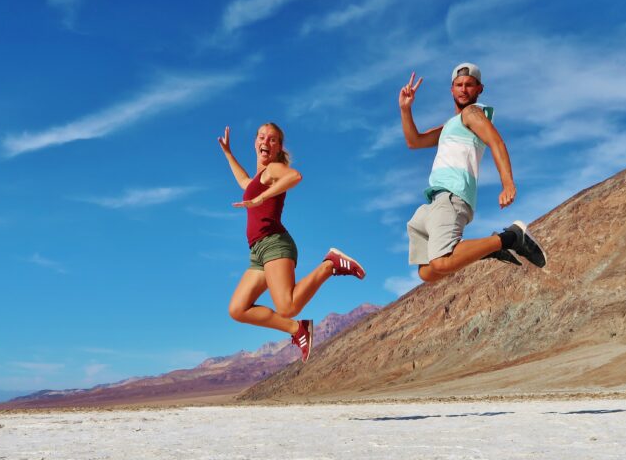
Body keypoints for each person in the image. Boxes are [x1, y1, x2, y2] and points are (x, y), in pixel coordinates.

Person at [218, 122, 365, 362]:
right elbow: (244, 181)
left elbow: (295, 176)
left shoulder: (274, 169)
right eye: (262, 137)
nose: (266, 142)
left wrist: (262, 198)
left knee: (288, 307)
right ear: (255, 142)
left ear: (278, 148)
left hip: (274, 243)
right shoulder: (258, 178)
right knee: (238, 308)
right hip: (258, 252)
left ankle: (330, 264)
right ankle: (298, 330)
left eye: (272, 139)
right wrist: (228, 154)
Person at [399, 62, 546, 283]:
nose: (464, 89)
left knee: (441, 260)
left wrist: (507, 183)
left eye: (470, 85)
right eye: (459, 85)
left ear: (480, 89)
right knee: (427, 273)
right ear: (451, 89)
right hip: (433, 202)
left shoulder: (472, 113)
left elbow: (496, 142)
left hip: (452, 195)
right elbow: (414, 141)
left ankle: (511, 237)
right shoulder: (451, 124)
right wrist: (405, 109)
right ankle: (485, 249)